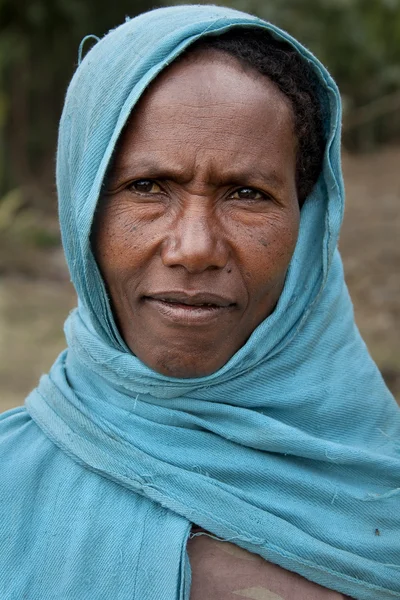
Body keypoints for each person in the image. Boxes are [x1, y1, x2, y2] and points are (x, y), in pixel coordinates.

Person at [0, 5, 399, 599]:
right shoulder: (11, 487)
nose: (194, 249)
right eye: (146, 187)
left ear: (308, 222)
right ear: (82, 208)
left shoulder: (381, 496)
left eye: (246, 193)